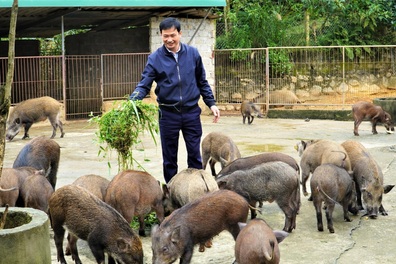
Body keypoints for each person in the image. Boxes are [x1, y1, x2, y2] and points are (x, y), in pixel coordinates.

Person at [130, 17, 220, 183]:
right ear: (161, 36)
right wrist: (132, 103)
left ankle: (195, 189)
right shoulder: (155, 58)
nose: (169, 39)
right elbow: (144, 84)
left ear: (180, 33)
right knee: (169, 157)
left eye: (172, 35)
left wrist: (211, 103)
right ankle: (171, 192)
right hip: (168, 114)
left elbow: (202, 82)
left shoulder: (193, 54)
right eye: (165, 36)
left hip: (191, 112)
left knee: (194, 154)